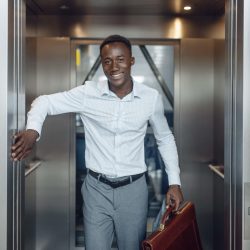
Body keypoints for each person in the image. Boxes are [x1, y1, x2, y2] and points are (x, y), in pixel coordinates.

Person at [11, 34, 184, 250]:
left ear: (131, 61)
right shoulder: (88, 94)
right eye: (107, 60)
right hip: (96, 190)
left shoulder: (151, 98)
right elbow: (44, 102)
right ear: (102, 63)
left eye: (120, 59)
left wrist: (174, 183)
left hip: (134, 190)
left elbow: (165, 139)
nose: (114, 66)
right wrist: (32, 131)